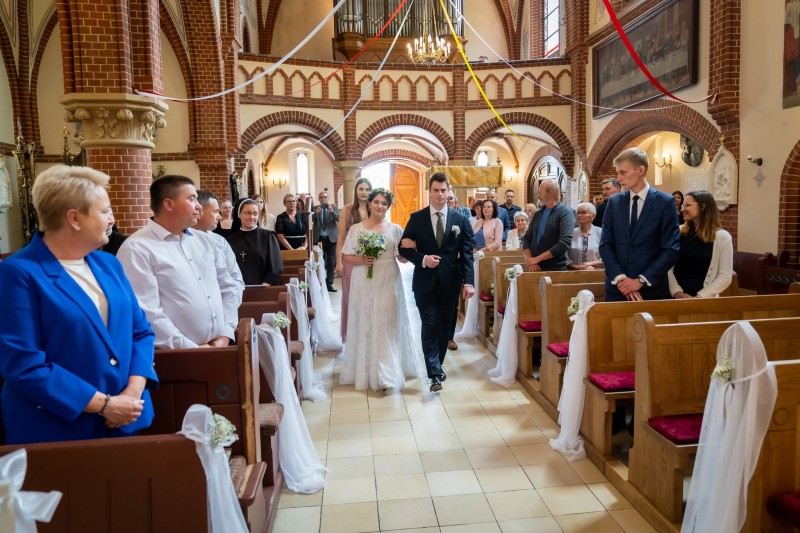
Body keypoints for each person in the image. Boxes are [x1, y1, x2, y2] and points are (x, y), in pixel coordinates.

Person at [0, 165, 157, 444]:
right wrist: (104, 405)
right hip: (58, 429)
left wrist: (131, 394)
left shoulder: (108, 264)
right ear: (74, 218)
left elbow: (141, 332)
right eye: (105, 211)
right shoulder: (18, 273)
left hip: (126, 418)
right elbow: (23, 363)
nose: (112, 219)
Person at [118, 175, 243, 348]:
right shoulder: (137, 248)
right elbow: (147, 311)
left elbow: (227, 288)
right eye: (192, 199)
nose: (199, 206)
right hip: (175, 355)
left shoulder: (206, 241)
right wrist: (191, 349)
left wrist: (226, 334)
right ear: (169, 204)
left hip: (219, 346)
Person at [339, 189, 423, 390]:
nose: (379, 206)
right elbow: (346, 256)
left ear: (388, 207)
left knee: (386, 322)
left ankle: (387, 373)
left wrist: (413, 247)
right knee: (367, 320)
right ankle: (367, 370)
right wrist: (362, 259)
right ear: (369, 204)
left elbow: (402, 259)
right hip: (364, 278)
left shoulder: (395, 229)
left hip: (388, 278)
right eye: (376, 202)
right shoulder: (357, 229)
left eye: (384, 203)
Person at [399, 172, 475, 392]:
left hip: (450, 282)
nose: (440, 194)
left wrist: (468, 282)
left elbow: (467, 254)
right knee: (430, 325)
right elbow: (403, 248)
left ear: (449, 192)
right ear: (429, 192)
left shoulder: (461, 220)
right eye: (436, 190)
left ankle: (437, 365)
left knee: (444, 327)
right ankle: (434, 374)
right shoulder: (417, 218)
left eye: (443, 190)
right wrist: (423, 259)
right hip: (425, 283)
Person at [599, 148, 680, 301]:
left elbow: (671, 249)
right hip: (618, 289)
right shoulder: (614, 202)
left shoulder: (665, 202)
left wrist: (640, 281)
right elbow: (605, 244)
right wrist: (621, 279)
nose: (618, 178)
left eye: (623, 172)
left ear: (640, 170)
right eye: (618, 173)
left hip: (651, 289)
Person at [668, 190, 733, 298]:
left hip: (704, 299)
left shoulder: (723, 237)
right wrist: (676, 292)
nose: (682, 209)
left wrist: (700, 297)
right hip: (675, 297)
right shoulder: (678, 232)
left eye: (687, 205)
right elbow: (667, 267)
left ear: (702, 207)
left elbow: (725, 276)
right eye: (683, 205)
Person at [336, 177, 372, 342]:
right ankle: (351, 335)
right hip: (350, 259)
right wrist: (339, 262)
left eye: (367, 189)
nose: (364, 192)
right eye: (361, 189)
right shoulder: (347, 210)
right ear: (356, 191)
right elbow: (341, 238)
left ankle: (367, 333)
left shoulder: (374, 208)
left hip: (369, 258)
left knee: (368, 295)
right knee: (351, 296)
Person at [194, 190, 245, 292]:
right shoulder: (177, 240)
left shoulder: (220, 241)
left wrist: (225, 302)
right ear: (199, 211)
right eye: (215, 211)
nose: (219, 217)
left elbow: (236, 280)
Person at [226, 198, 283, 286]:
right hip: (236, 290)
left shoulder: (268, 236)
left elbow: (276, 266)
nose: (251, 217)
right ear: (239, 214)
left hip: (263, 289)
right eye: (247, 213)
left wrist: (263, 287)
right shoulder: (230, 240)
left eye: (255, 213)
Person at [522, 180, 575, 271]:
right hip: (534, 267)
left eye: (540, 192)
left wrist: (536, 259)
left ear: (549, 193)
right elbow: (527, 238)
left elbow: (564, 243)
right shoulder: (538, 213)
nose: (538, 195)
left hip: (555, 268)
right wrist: (530, 260)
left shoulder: (565, 213)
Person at [312, 190, 339, 292]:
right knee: (320, 261)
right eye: (321, 197)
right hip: (319, 239)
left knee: (331, 261)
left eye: (325, 197)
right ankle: (321, 282)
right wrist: (316, 213)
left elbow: (339, 218)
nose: (323, 199)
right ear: (319, 199)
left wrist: (332, 212)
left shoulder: (334, 208)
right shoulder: (315, 208)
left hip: (331, 238)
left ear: (328, 198)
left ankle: (329, 283)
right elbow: (309, 220)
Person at [567, 202, 603, 270]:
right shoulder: (571, 233)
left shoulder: (601, 233)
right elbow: (565, 257)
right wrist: (578, 267)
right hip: (574, 273)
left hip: (597, 272)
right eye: (578, 213)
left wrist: (592, 263)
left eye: (584, 212)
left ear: (593, 216)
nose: (579, 215)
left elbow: (608, 256)